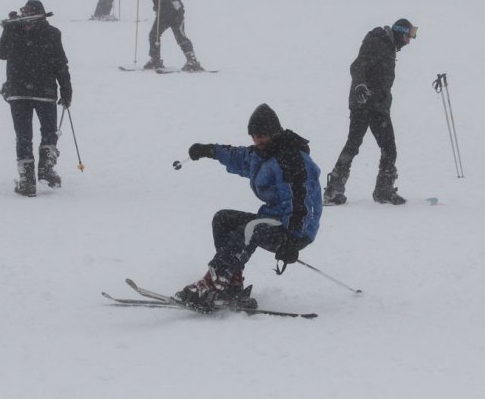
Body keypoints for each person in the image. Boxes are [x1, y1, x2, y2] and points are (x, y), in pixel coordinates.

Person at [174, 104, 322, 309]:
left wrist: (293, 238)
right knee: (222, 218)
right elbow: (237, 156)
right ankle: (231, 283)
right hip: (274, 219)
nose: (257, 140)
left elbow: (303, 201)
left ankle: (213, 281)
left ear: (274, 133)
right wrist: (208, 150)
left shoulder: (291, 159)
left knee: (251, 229)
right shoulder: (263, 155)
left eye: (262, 135)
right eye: (253, 136)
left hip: (296, 228)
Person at [323, 19, 417, 206]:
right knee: (362, 145)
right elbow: (357, 65)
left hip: (377, 106)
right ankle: (336, 191)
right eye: (407, 36)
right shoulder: (377, 42)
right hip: (365, 103)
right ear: (398, 32)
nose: (408, 41)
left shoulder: (388, 46)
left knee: (382, 147)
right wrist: (360, 86)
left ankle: (380, 190)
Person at [0, 0, 72, 197]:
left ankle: (31, 178)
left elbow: (60, 63)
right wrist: (65, 88)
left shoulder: (21, 30)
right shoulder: (48, 33)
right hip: (40, 92)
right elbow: (2, 54)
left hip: (24, 91)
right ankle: (38, 174)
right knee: (38, 133)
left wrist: (66, 89)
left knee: (31, 135)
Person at [133, 0, 204, 72]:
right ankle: (155, 59)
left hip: (175, 13)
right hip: (162, 14)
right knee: (154, 35)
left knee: (180, 36)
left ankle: (192, 61)